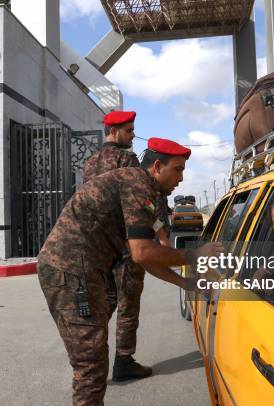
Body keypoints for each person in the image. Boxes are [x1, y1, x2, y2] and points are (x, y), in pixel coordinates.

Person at [37, 137, 223, 405]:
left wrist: (186, 284)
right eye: (178, 169)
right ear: (158, 166)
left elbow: (143, 258)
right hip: (72, 272)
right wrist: (193, 254)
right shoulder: (138, 184)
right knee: (90, 365)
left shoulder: (140, 185)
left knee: (92, 358)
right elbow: (143, 252)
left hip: (81, 270)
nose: (181, 178)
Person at [83, 112, 171, 382]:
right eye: (129, 131)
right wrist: (160, 230)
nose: (133, 135)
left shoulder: (90, 162)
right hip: (126, 241)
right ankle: (124, 361)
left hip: (100, 243)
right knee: (128, 302)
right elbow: (145, 198)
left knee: (106, 300)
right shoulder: (128, 160)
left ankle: (90, 352)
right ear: (114, 131)